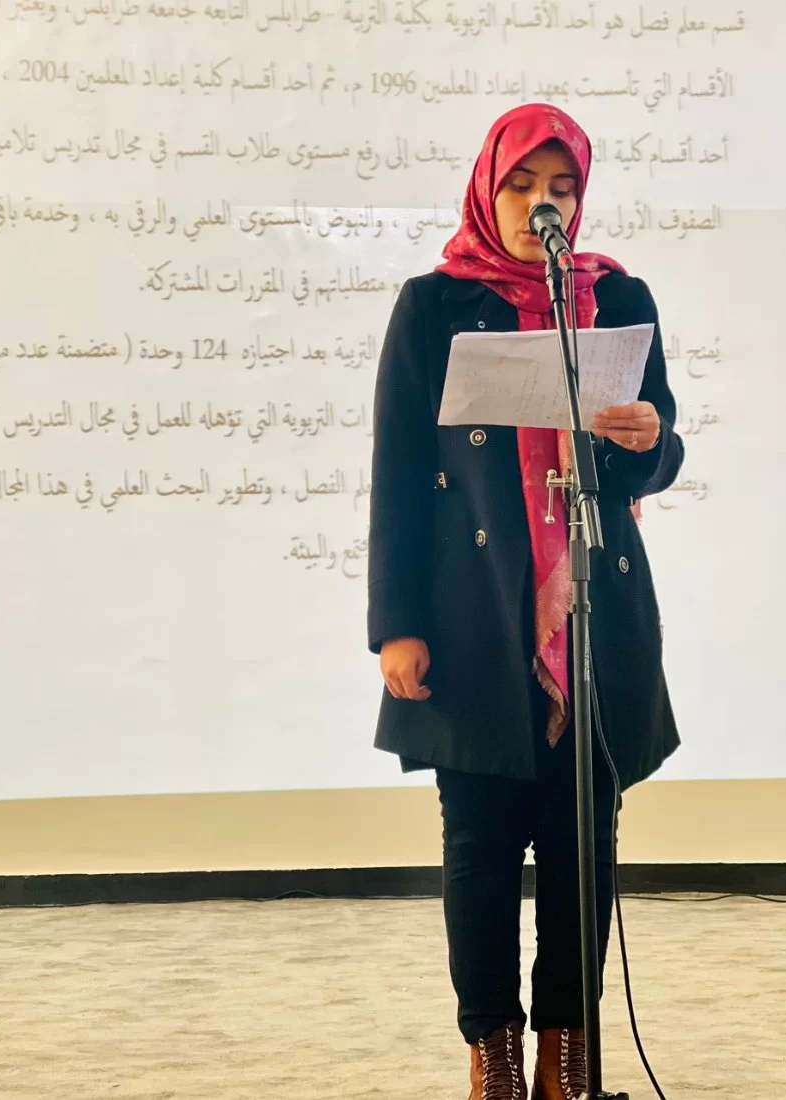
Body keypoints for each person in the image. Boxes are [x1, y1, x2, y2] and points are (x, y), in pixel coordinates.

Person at [366, 103, 683, 1100]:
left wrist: (648, 442)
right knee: (481, 848)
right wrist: (397, 624)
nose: (541, 204)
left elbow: (655, 454)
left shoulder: (616, 296)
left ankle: (567, 1048)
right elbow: (400, 471)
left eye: (561, 187)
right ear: (487, 187)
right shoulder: (434, 305)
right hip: (472, 622)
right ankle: (494, 1050)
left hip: (595, 619)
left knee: (585, 848)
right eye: (521, 184)